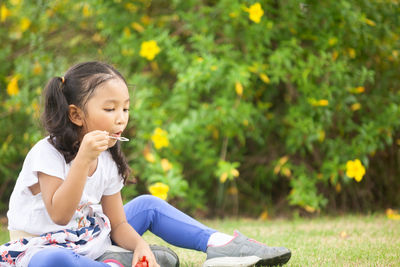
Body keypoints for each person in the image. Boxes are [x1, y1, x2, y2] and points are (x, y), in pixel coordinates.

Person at [0, 61, 291, 267]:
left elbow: (118, 223)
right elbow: (60, 215)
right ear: (76, 115)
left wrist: (140, 245)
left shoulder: (108, 157)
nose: (121, 118)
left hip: (91, 239)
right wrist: (82, 160)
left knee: (148, 206)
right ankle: (116, 264)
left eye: (125, 108)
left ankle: (222, 246)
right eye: (110, 109)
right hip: (42, 247)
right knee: (54, 261)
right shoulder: (46, 153)